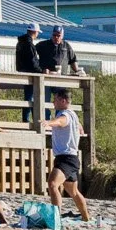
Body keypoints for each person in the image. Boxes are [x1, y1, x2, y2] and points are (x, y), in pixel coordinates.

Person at [43, 88, 90, 221]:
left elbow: (60, 121)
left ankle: (56, 218)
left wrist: (49, 123)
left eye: (56, 99)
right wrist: (79, 128)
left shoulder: (65, 115)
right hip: (70, 158)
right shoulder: (73, 114)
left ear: (63, 101)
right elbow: (76, 125)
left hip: (66, 159)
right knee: (73, 192)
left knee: (52, 184)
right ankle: (86, 217)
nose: (53, 102)